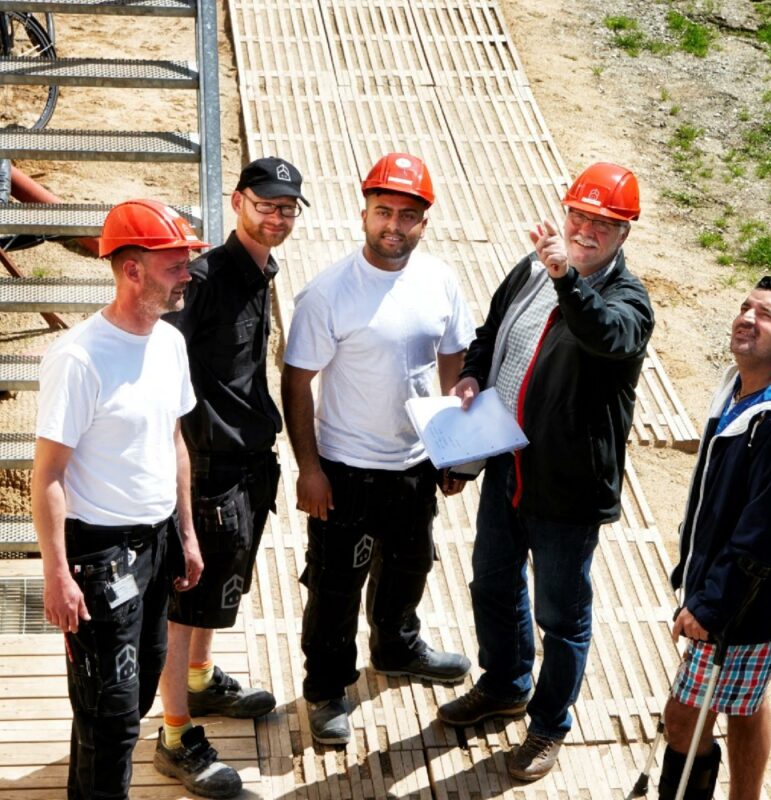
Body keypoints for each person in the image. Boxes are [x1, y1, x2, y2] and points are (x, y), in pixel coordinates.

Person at [436, 162, 655, 782]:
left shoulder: (626, 301)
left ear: (623, 233)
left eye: (601, 224)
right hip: (508, 464)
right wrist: (475, 373)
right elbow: (489, 334)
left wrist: (565, 278)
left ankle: (549, 723)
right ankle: (505, 682)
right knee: (490, 583)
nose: (584, 231)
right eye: (578, 216)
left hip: (567, 488)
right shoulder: (531, 270)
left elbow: (605, 337)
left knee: (562, 615)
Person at [282, 152, 475, 746]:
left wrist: (450, 449)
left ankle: (396, 647)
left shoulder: (440, 280)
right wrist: (309, 469)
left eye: (407, 215)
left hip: (414, 467)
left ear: (425, 221)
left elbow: (452, 357)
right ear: (363, 212)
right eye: (383, 211)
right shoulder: (328, 293)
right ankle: (325, 688)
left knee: (411, 565)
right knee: (335, 587)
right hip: (345, 472)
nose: (394, 224)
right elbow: (296, 382)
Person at [32, 199, 209, 800]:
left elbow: (175, 443)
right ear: (131, 269)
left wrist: (185, 533)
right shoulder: (80, 357)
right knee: (108, 717)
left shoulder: (169, 343)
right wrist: (56, 574)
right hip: (99, 554)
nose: (187, 273)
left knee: (128, 704)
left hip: (157, 544)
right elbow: (48, 475)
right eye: (174, 264)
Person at [153, 158, 307, 793]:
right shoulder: (209, 277)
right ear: (238, 201)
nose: (277, 216)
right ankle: (175, 733)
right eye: (265, 204)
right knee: (185, 598)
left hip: (244, 461)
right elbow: (161, 360)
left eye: (288, 207)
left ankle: (198, 680)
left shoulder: (259, 272)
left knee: (216, 588)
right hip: (208, 466)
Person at [659, 276, 771, 800]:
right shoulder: (741, 384)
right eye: (745, 307)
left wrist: (710, 605)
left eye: (766, 315)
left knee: (684, 718)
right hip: (737, 594)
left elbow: (764, 535)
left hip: (746, 604)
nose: (747, 318)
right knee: (743, 702)